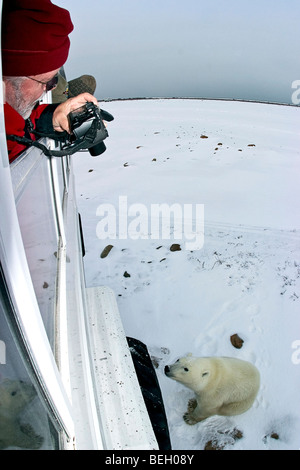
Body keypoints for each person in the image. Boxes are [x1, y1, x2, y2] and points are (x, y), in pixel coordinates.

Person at [1, 0, 99, 163]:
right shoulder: (5, 135)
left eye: (55, 80)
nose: (51, 89)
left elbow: (23, 126)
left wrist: (51, 117)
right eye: (47, 82)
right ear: (10, 78)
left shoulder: (11, 119)